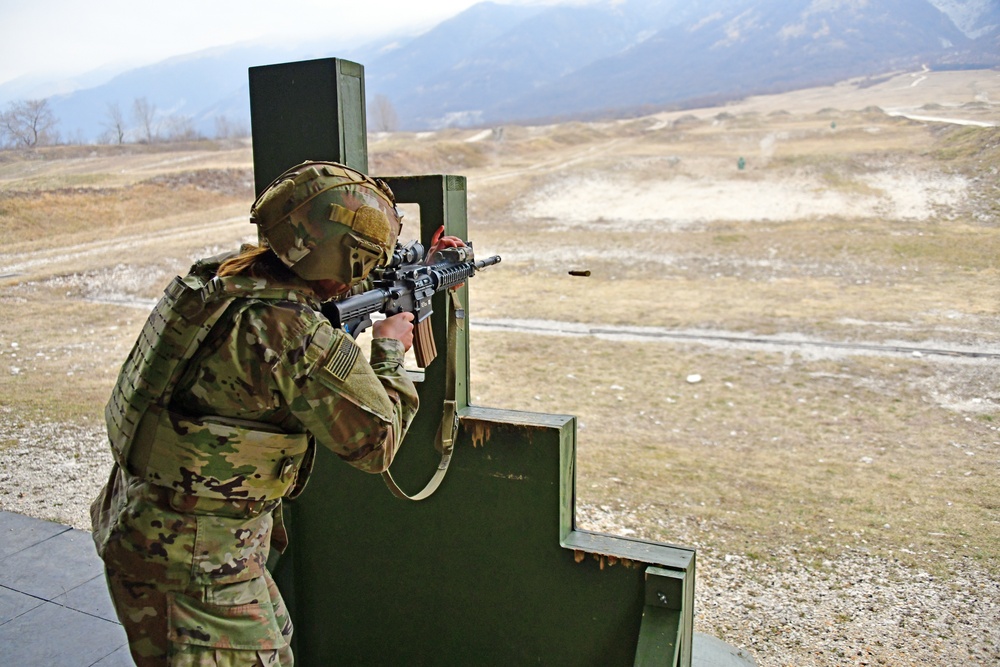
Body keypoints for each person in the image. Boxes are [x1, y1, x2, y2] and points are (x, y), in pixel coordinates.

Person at [91, 160, 448, 666]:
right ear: (346, 259)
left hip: (144, 523)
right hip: (196, 566)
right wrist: (389, 351)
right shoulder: (293, 333)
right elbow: (376, 446)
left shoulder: (219, 277)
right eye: (366, 260)